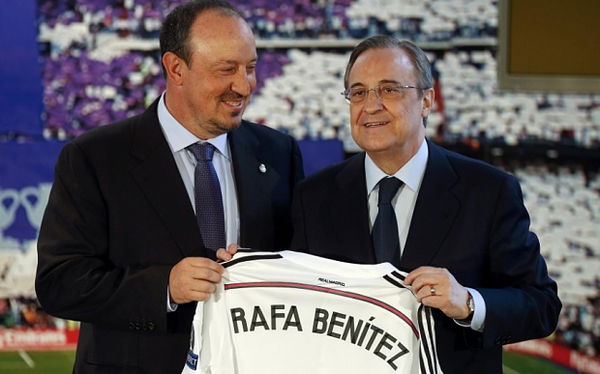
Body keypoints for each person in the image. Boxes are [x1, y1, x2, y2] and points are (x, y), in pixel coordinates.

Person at [35, 1, 303, 373]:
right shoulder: (94, 158)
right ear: (176, 68)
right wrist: (165, 287)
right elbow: (59, 283)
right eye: (227, 69)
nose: (244, 85)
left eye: (251, 68)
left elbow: (300, 263)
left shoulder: (278, 152)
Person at [289, 35, 561, 374]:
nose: (370, 105)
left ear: (427, 101)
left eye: (389, 89)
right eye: (358, 92)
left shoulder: (489, 191)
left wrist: (467, 302)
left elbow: (541, 305)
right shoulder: (313, 196)